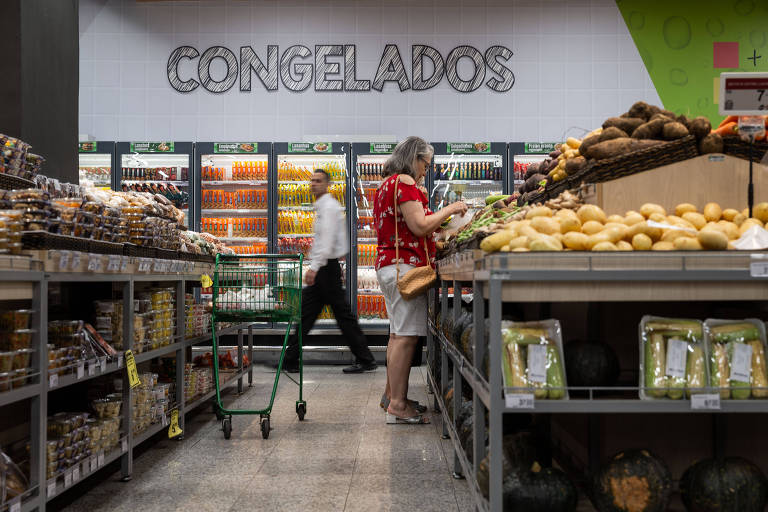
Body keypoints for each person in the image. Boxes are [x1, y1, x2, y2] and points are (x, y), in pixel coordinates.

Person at [374, 137, 468, 424]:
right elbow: (419, 225)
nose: (425, 171)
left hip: (391, 266)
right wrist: (452, 209)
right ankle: (398, 405)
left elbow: (415, 223)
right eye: (424, 165)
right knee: (405, 337)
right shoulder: (404, 182)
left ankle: (392, 395)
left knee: (396, 334)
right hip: (406, 269)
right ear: (413, 158)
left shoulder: (387, 184)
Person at [282, 169, 377, 374]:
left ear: (326, 185)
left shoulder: (329, 207)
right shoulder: (323, 207)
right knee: (315, 314)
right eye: (312, 180)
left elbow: (326, 241)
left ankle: (365, 359)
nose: (313, 184)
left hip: (326, 268)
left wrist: (314, 268)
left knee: (334, 315)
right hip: (327, 267)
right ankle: (290, 359)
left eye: (318, 181)